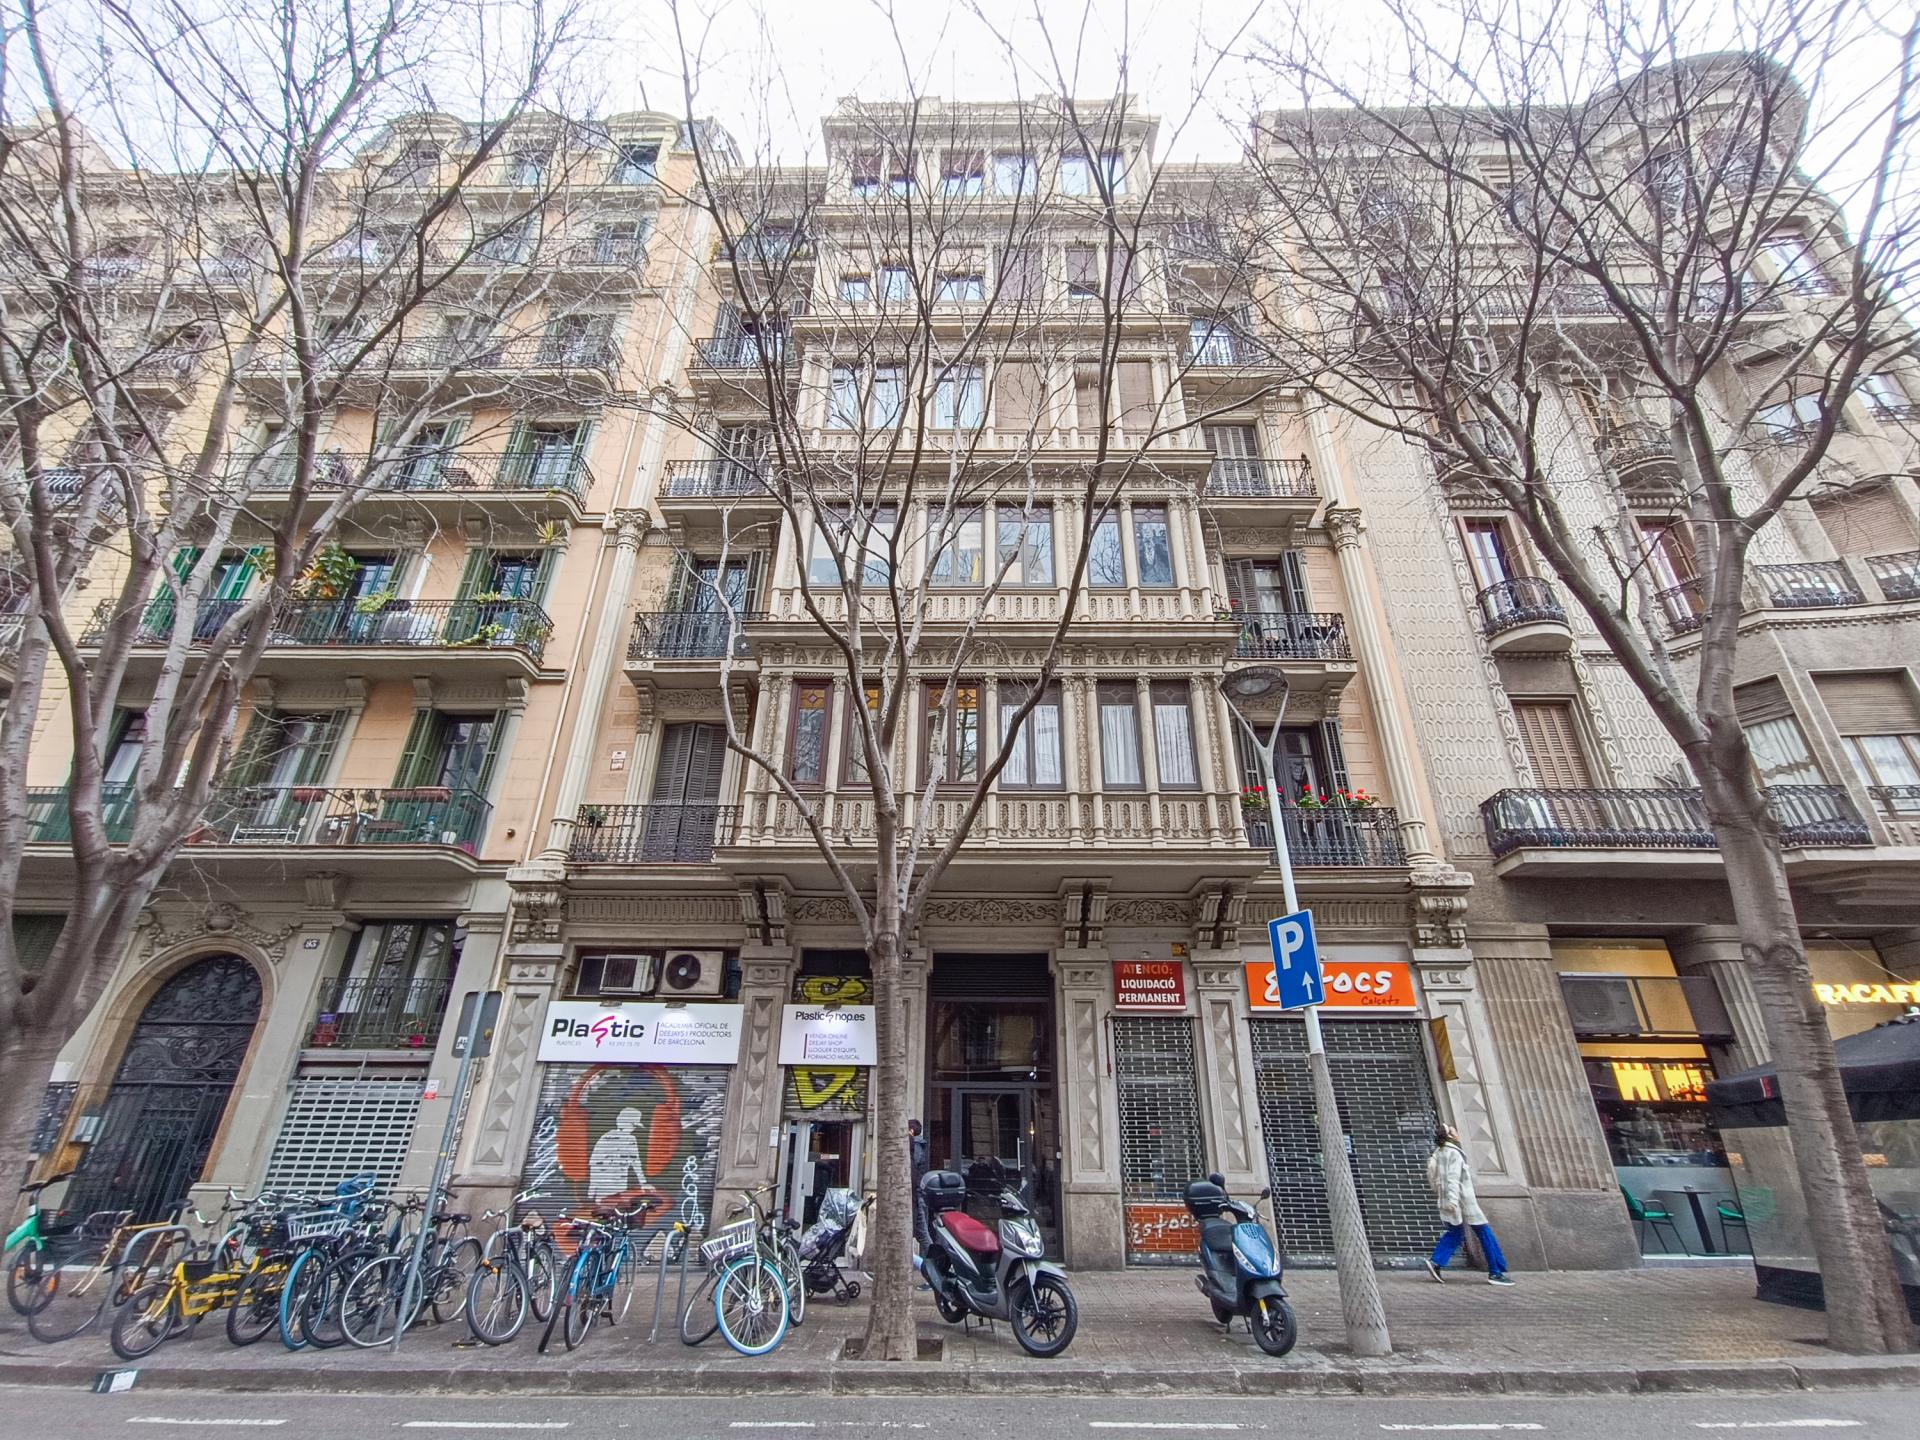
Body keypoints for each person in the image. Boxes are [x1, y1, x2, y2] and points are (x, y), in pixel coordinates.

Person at [1424, 1123, 1515, 1286]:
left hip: (1449, 1201)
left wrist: (1446, 1199)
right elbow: (1452, 1178)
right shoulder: (1453, 1153)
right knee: (1485, 1233)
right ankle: (1495, 1272)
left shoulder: (1439, 1153)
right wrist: (1453, 1201)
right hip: (1463, 1202)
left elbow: (1435, 1178)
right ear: (1449, 1136)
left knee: (1455, 1232)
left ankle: (1436, 1261)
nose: (1457, 1133)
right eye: (1454, 1131)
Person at [908, 1118, 930, 1248]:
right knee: (922, 1234)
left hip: (915, 1196)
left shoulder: (915, 1147)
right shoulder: (918, 1146)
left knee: (922, 1234)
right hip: (916, 1195)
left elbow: (912, 1168)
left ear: (911, 1131)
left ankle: (933, 1257)